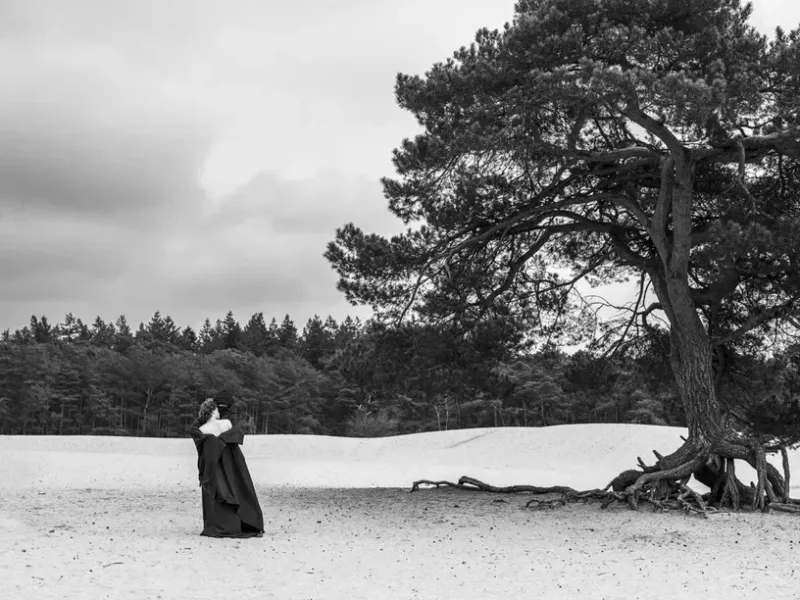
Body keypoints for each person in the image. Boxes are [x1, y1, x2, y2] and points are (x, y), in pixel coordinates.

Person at [189, 397, 264, 538]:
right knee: (237, 489)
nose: (219, 411)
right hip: (229, 463)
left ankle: (220, 523)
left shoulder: (201, 429)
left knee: (219, 493)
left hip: (214, 466)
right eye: (217, 409)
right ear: (213, 411)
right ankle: (245, 521)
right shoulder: (226, 423)